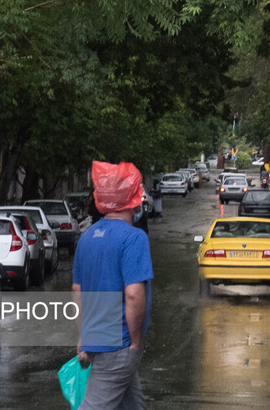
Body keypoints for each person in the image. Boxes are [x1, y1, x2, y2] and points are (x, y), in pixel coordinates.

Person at [73, 161, 153, 410]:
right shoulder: (134, 238)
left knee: (133, 405)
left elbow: (78, 293)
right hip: (118, 344)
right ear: (132, 198)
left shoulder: (86, 238)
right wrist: (136, 342)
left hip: (97, 339)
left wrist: (83, 337)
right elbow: (133, 295)